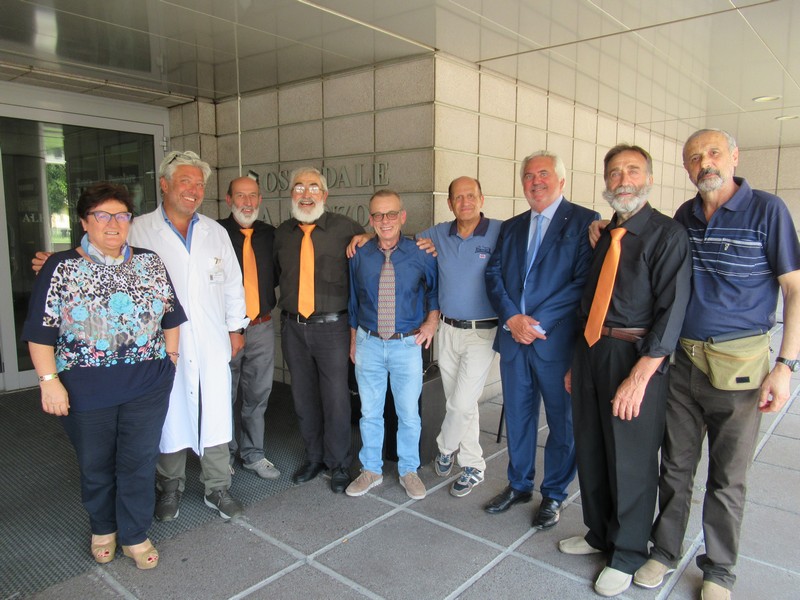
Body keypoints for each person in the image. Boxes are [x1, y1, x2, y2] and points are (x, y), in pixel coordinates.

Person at [630, 129, 800, 600]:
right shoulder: (684, 215)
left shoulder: (768, 211)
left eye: (713, 153)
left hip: (740, 368)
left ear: (734, 157)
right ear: (686, 168)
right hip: (683, 363)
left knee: (727, 477)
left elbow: (794, 289)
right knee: (675, 466)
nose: (704, 163)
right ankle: (665, 551)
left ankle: (719, 570)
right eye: (693, 158)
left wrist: (786, 365)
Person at [23, 182, 186, 570]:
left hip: (147, 386)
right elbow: (40, 332)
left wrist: (171, 360)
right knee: (96, 464)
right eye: (102, 215)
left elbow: (171, 316)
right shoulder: (61, 267)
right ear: (84, 221)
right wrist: (49, 382)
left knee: (139, 462)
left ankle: (134, 533)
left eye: (121, 216)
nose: (113, 224)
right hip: (85, 390)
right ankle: (102, 528)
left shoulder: (149, 262)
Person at [558, 145, 691, 597]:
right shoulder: (605, 234)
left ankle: (629, 553)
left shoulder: (667, 235)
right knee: (592, 447)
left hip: (635, 357)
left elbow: (672, 312)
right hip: (592, 351)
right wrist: (578, 361)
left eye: (632, 171)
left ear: (649, 178)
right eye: (614, 173)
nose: (623, 180)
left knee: (631, 459)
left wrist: (640, 376)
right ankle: (600, 533)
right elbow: (589, 301)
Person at [131, 151, 249, 521]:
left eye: (199, 184)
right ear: (164, 185)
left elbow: (233, 284)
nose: (194, 190)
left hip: (211, 338)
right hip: (162, 343)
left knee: (216, 409)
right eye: (186, 181)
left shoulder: (215, 232)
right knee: (169, 411)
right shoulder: (138, 230)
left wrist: (236, 328)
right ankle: (170, 486)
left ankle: (218, 487)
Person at [483, 151, 599, 527]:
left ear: (561, 181)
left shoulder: (584, 221)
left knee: (563, 423)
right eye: (529, 176)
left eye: (543, 174)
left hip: (556, 343)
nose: (536, 181)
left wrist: (537, 323)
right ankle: (519, 485)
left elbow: (582, 281)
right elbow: (493, 275)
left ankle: (554, 493)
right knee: (519, 417)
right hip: (514, 340)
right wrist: (512, 318)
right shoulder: (512, 226)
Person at [274, 167, 364, 493]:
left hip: (333, 328)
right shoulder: (282, 234)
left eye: (313, 187)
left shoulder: (346, 229)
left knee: (336, 398)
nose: (306, 194)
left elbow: (371, 256)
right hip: (293, 328)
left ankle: (338, 463)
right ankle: (314, 457)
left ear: (325, 195)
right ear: (291, 194)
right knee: (303, 396)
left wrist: (369, 237)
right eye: (299, 187)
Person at [346, 189, 439, 500]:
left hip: (406, 345)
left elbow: (434, 293)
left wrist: (431, 322)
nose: (385, 220)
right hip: (368, 342)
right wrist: (353, 341)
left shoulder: (421, 253)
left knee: (408, 413)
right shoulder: (360, 255)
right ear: (370, 219)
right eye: (378, 215)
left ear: (402, 216)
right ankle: (371, 469)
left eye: (391, 214)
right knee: (369, 412)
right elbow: (353, 301)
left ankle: (409, 470)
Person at [418, 176, 502, 497]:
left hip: (482, 332)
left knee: (461, 402)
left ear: (482, 199)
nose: (465, 202)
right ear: (449, 203)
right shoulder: (439, 234)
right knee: (461, 404)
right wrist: (364, 237)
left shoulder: (500, 231)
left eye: (471, 196)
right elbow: (399, 242)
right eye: (458, 197)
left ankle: (445, 447)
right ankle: (473, 466)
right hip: (448, 330)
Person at [218, 174, 280, 480]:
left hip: (262, 326)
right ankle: (225, 455)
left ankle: (253, 453)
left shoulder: (271, 235)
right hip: (224, 329)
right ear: (229, 199)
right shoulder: (214, 233)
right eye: (240, 196)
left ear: (260, 200)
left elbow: (277, 275)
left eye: (252, 195)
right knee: (224, 393)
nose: (247, 202)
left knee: (258, 393)